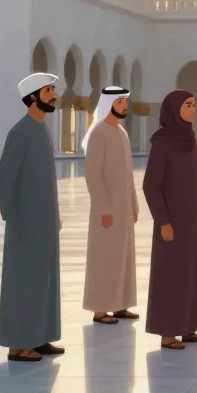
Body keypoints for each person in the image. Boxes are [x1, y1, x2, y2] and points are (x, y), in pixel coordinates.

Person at [0, 72, 64, 362]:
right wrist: (16, 218)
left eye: (52, 90)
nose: (53, 95)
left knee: (44, 281)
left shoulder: (42, 130)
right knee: (23, 283)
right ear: (32, 97)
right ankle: (17, 344)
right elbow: (2, 181)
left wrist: (53, 214)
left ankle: (39, 337)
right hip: (26, 226)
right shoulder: (20, 132)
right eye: (48, 90)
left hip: (45, 224)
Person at [143, 90, 197, 350]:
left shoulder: (189, 140)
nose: (194, 109)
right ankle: (168, 332)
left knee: (192, 272)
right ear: (174, 110)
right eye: (188, 105)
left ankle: (189, 327)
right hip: (172, 222)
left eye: (194, 105)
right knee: (170, 275)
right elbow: (151, 186)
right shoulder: (163, 143)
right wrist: (163, 221)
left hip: (192, 220)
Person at [82, 86, 141, 325]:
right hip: (106, 212)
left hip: (124, 209)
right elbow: (93, 176)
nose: (124, 106)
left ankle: (120, 305)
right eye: (120, 102)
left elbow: (128, 175)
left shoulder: (122, 133)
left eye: (125, 102)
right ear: (109, 103)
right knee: (104, 259)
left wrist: (134, 205)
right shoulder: (98, 132)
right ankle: (100, 309)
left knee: (123, 257)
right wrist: (104, 209)